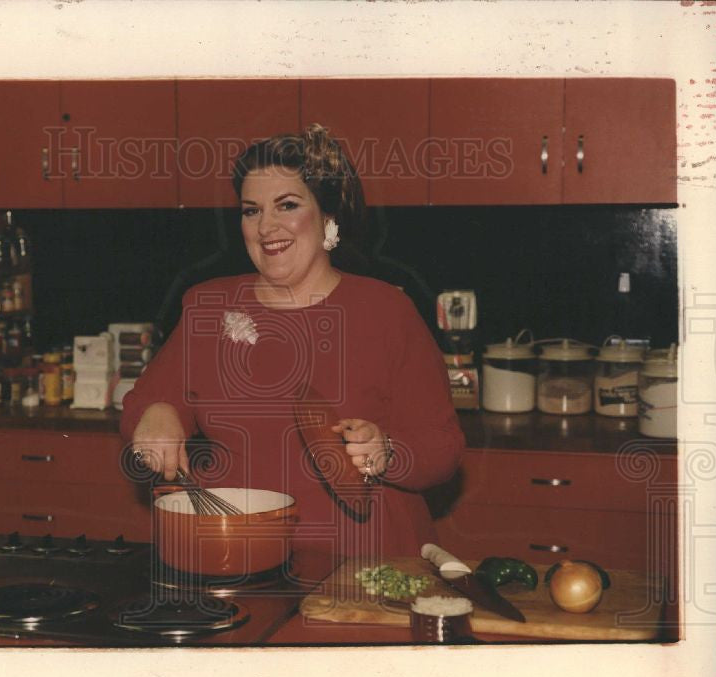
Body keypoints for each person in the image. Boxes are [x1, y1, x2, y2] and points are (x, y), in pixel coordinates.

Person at [120, 124, 463, 559]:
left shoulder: (386, 311)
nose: (266, 227)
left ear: (327, 216)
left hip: (365, 560)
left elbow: (443, 446)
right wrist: (156, 414)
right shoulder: (209, 307)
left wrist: (387, 452)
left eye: (287, 205)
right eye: (251, 210)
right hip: (240, 552)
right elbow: (145, 404)